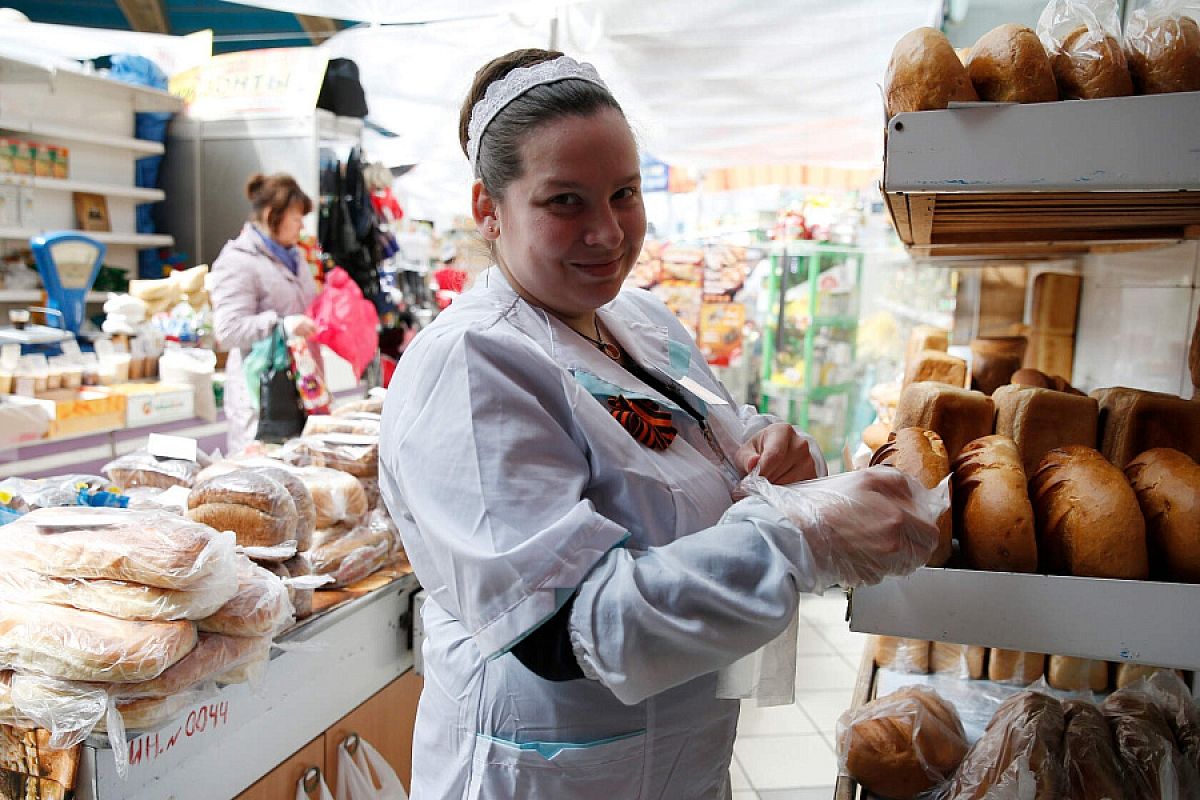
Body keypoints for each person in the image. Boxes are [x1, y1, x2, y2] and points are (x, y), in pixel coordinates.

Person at [379, 50, 943, 799]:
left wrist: (772, 449)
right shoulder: (474, 366)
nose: (608, 232)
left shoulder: (638, 320)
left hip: (674, 757)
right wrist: (799, 536)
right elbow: (568, 627)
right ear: (489, 210)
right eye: (565, 202)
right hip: (546, 771)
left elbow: (712, 433)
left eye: (624, 193)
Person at [210, 173, 322, 454]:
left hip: (302, 392)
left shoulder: (295, 257)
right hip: (262, 399)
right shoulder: (238, 261)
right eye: (296, 219)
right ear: (273, 215)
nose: (301, 227)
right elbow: (228, 330)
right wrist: (281, 325)